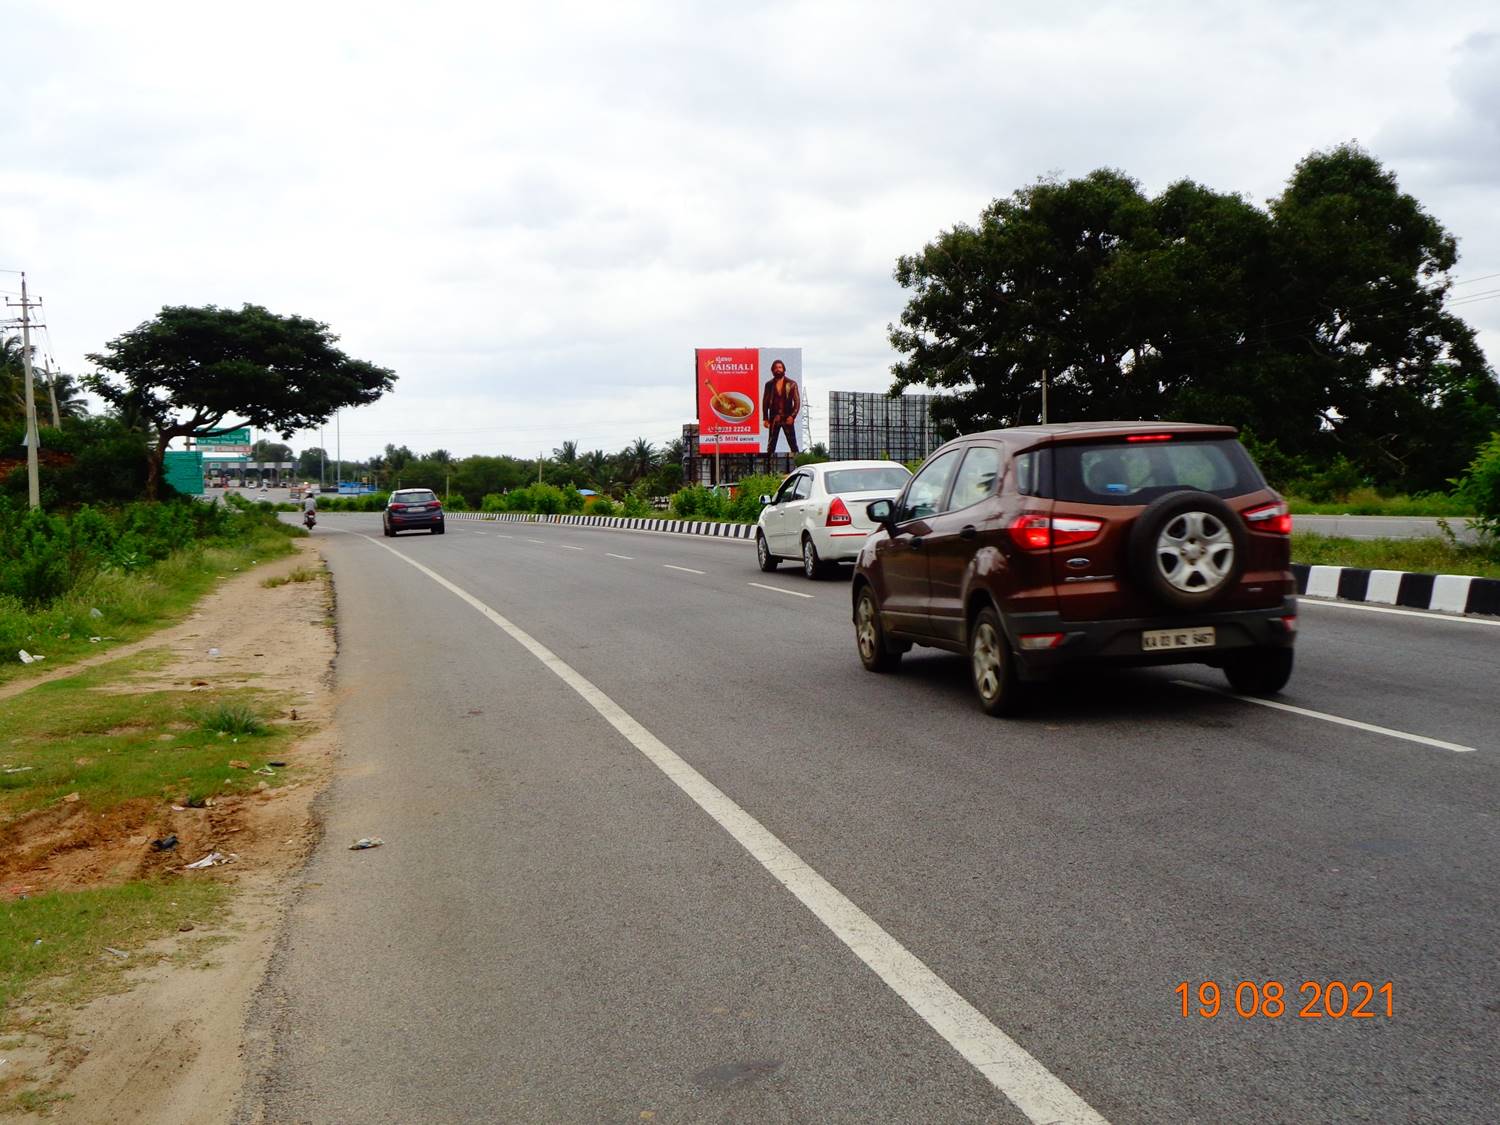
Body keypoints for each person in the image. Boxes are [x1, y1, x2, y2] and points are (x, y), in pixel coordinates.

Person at [762, 359, 801, 456]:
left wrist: (792, 416)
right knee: (771, 444)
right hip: (774, 418)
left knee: (793, 444)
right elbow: (765, 402)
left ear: (784, 369)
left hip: (787, 417)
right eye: (775, 368)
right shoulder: (769, 384)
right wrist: (765, 418)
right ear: (772, 370)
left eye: (779, 367)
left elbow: (797, 402)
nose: (777, 370)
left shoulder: (792, 383)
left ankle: (798, 461)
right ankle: (768, 464)